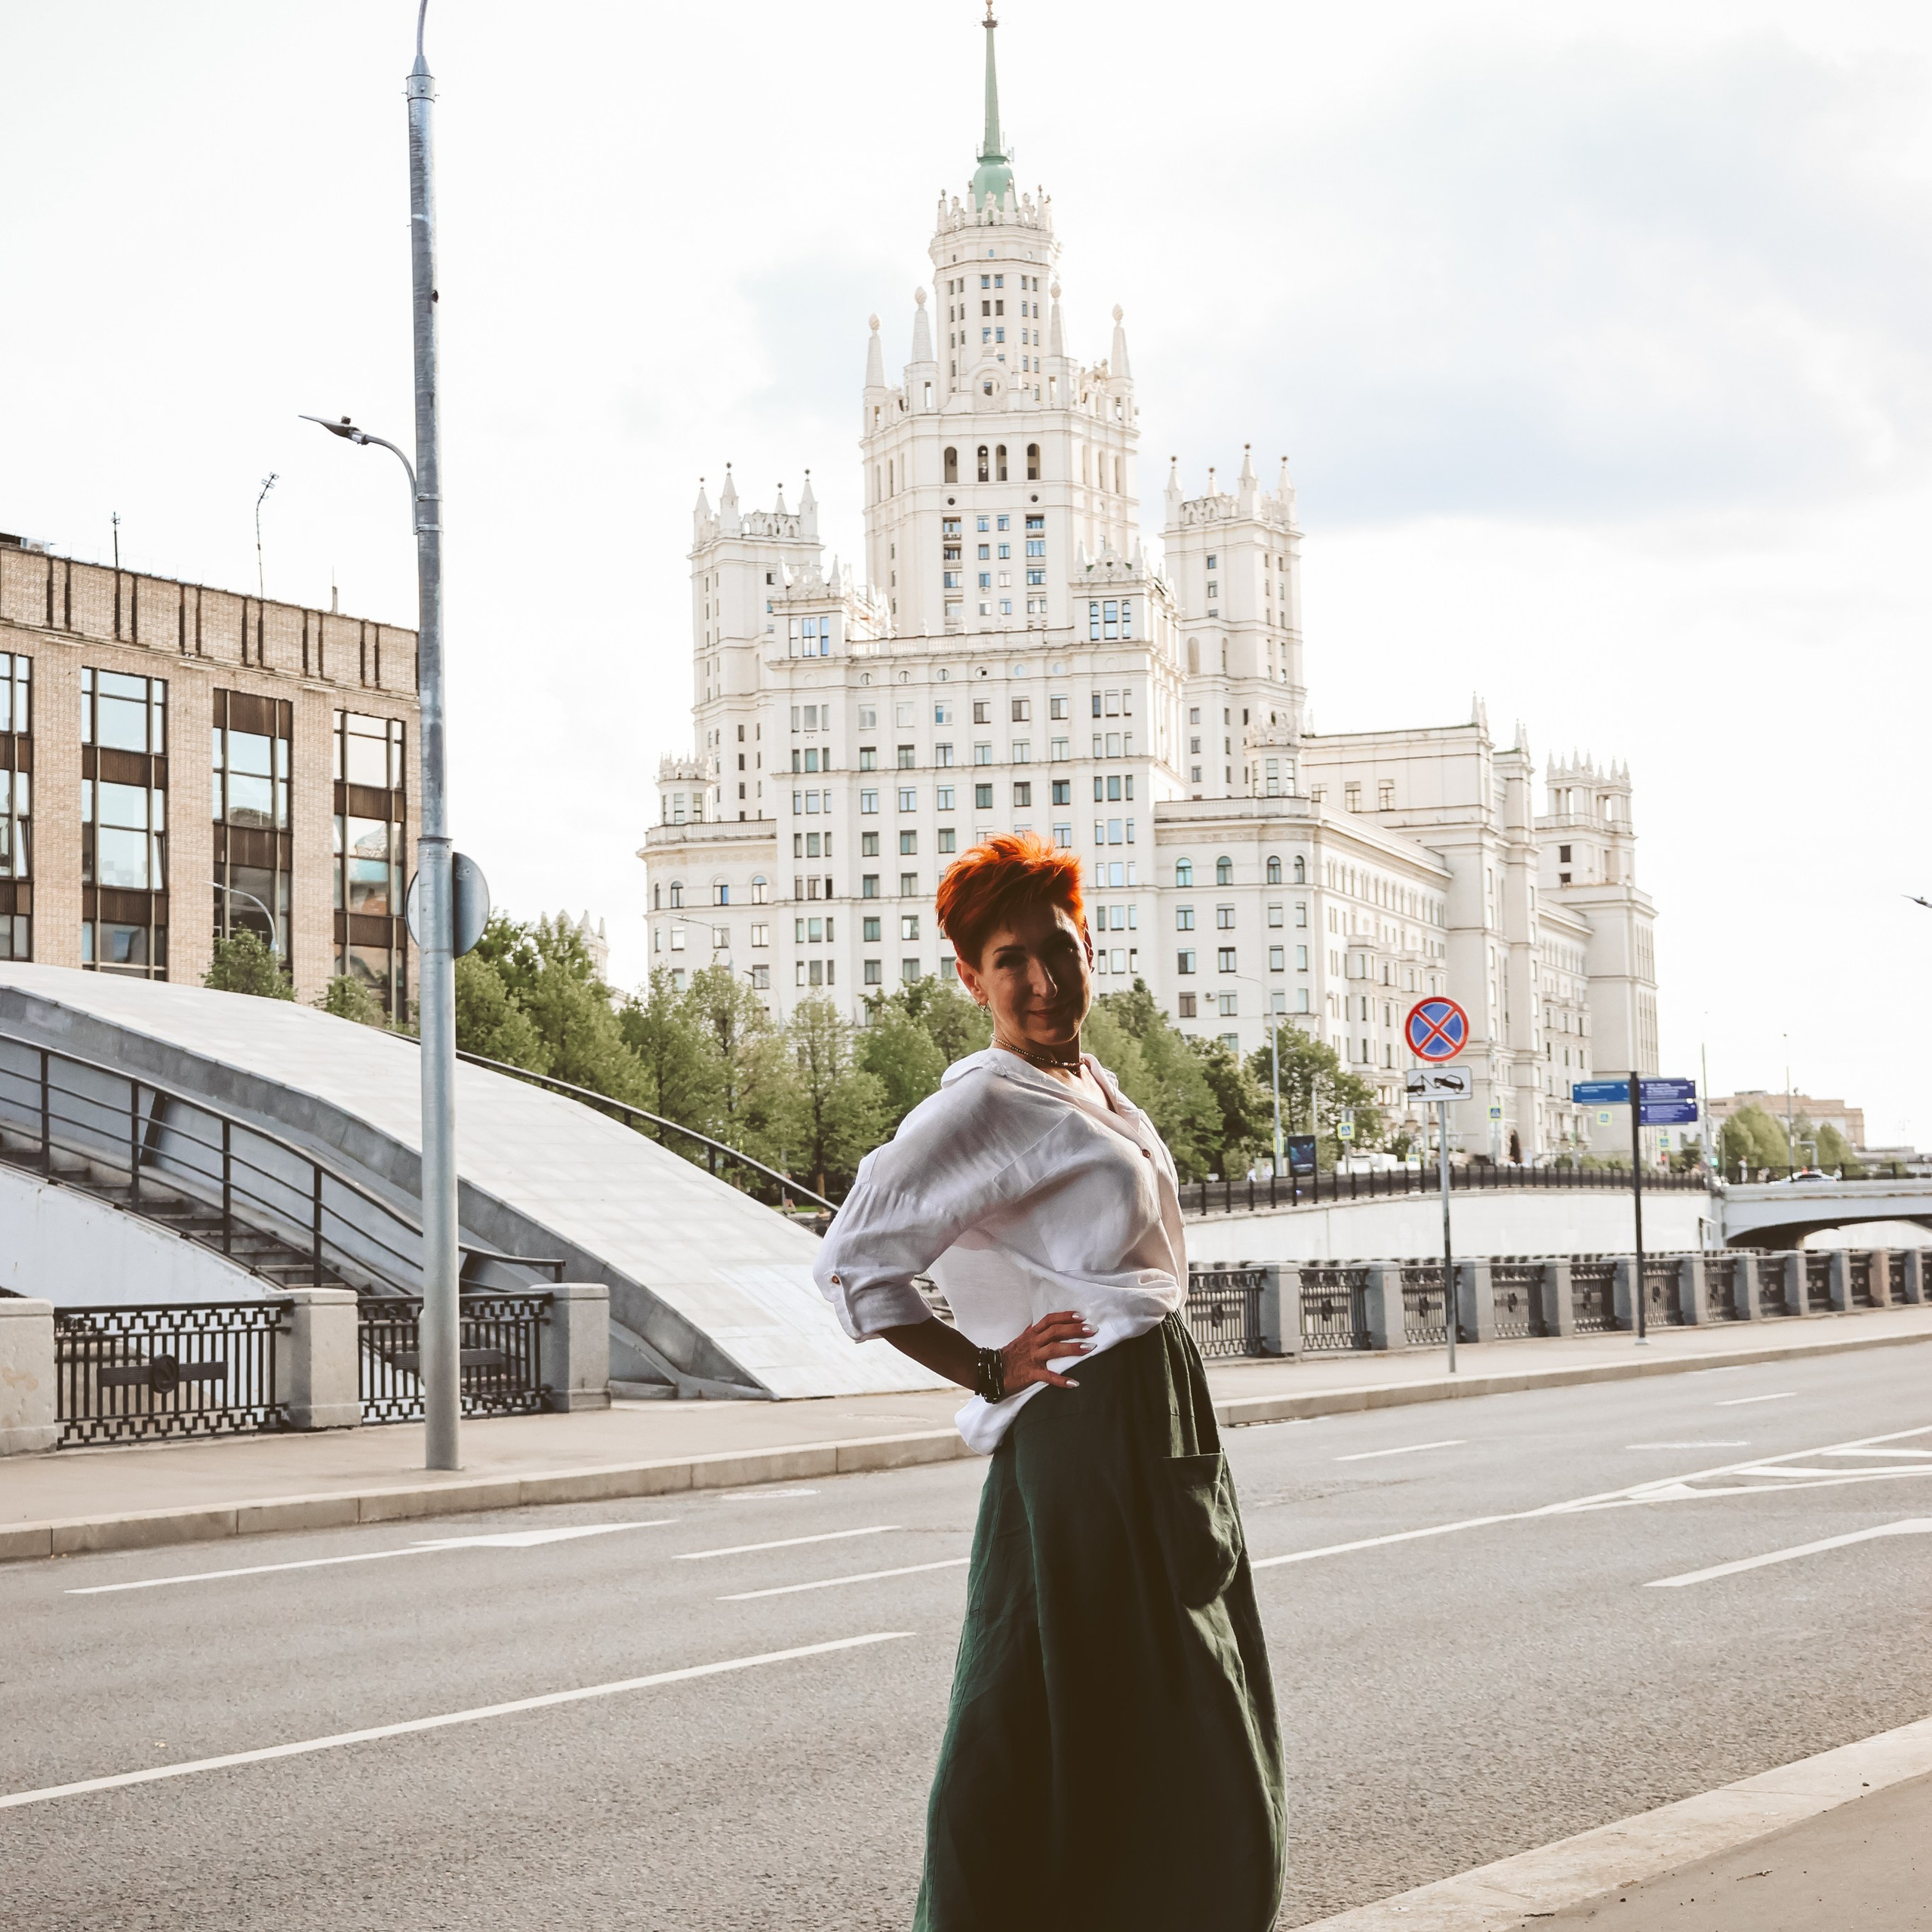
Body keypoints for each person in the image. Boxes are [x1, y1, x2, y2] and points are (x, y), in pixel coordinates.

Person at [814, 832, 1285, 1932]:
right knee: (1100, 1696)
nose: (1039, 979)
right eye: (1009, 959)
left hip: (1153, 1413)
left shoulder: (1088, 1086)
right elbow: (852, 1262)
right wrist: (982, 1364)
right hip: (1084, 1427)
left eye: (1058, 950)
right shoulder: (982, 1105)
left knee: (1143, 1688)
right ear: (972, 979)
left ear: (1092, 950)